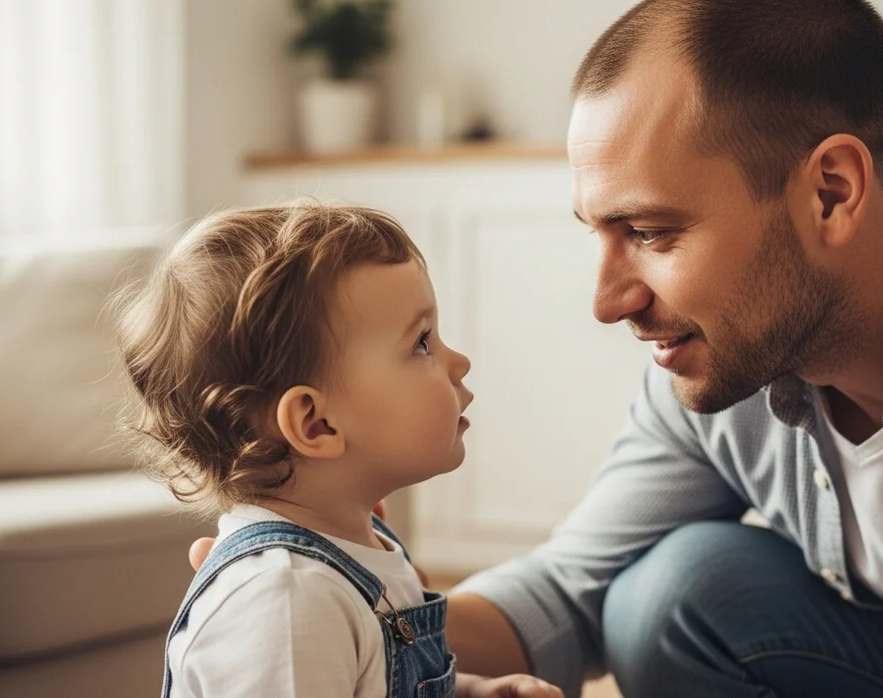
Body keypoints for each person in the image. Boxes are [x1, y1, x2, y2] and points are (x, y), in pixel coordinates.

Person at [191, 2, 883, 696]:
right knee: (674, 588)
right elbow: (567, 590)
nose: (607, 298)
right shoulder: (718, 367)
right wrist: (328, 595)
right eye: (597, 231)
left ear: (831, 191)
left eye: (653, 232)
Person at [117, 204, 562, 698]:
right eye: (421, 342)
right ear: (316, 423)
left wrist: (472, 690)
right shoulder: (286, 598)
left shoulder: (357, 549)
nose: (458, 361)